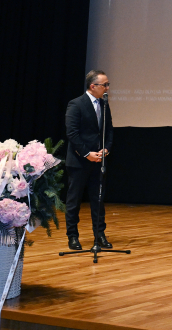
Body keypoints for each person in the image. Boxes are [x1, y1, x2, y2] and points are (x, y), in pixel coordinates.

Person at [64, 70, 114, 251]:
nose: (107, 88)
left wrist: (106, 149)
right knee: (74, 200)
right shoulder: (76, 104)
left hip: (99, 161)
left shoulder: (104, 104)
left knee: (98, 199)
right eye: (104, 85)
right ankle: (72, 236)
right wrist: (87, 154)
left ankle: (99, 234)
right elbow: (72, 133)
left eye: (108, 84)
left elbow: (109, 130)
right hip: (79, 161)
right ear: (93, 86)